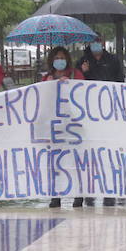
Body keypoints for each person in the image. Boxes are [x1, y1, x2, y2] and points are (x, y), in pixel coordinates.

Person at [78, 41, 125, 205]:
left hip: (109, 111)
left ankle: (109, 187)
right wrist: (86, 73)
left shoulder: (112, 59)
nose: (96, 45)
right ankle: (90, 187)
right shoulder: (83, 62)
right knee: (90, 150)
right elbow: (77, 85)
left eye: (98, 42)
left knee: (108, 149)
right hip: (89, 113)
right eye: (93, 43)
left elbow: (120, 80)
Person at [40, 46, 86, 208]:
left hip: (74, 125)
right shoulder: (47, 78)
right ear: (52, 60)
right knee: (55, 162)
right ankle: (55, 196)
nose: (59, 60)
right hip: (54, 126)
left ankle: (79, 195)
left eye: (62, 57)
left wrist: (71, 85)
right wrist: (51, 85)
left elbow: (84, 93)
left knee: (76, 160)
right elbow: (40, 99)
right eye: (56, 58)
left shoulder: (75, 74)